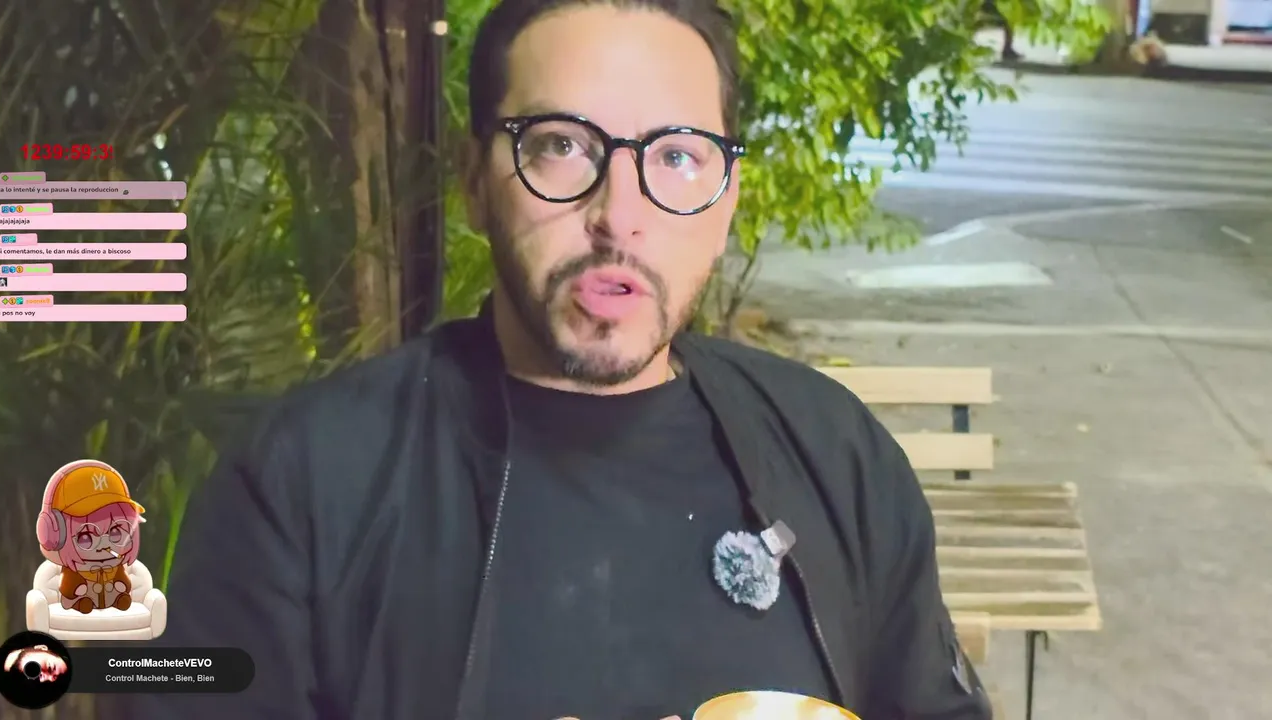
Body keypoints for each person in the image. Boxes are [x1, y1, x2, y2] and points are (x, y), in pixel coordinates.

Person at [128, 1, 992, 719]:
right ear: (474, 181)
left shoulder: (835, 453)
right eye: (562, 145)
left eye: (677, 157)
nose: (620, 215)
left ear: (727, 200)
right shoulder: (301, 484)